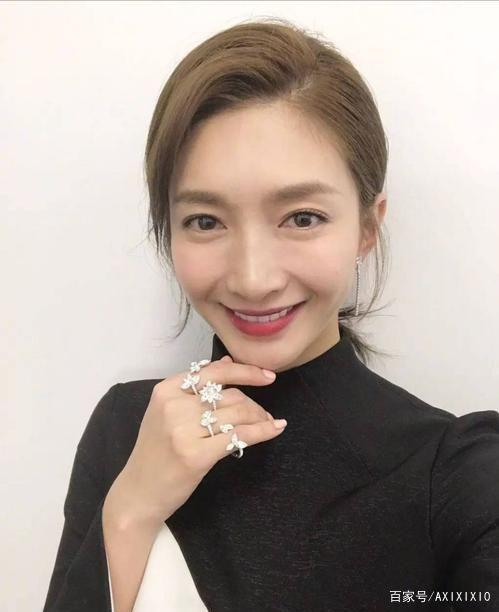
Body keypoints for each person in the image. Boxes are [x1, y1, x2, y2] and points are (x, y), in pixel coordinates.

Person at [42, 16, 499, 612]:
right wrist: (130, 511)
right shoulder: (128, 429)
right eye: (205, 221)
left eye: (302, 218)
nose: (253, 279)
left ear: (367, 226)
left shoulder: (459, 473)